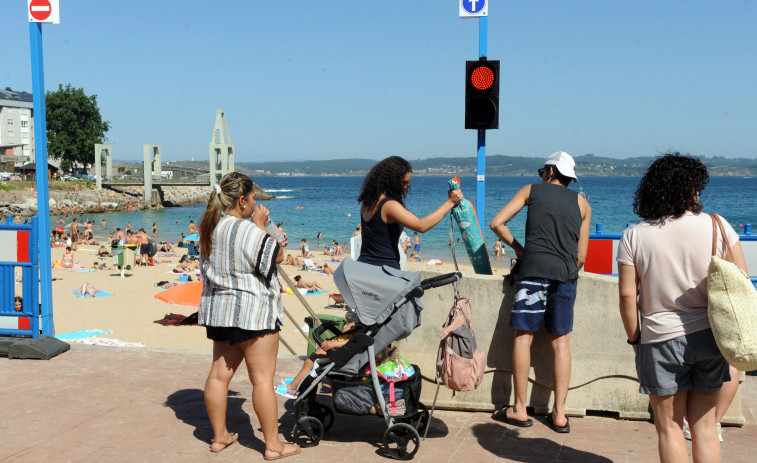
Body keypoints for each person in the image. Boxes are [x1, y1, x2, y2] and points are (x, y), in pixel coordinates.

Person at [617, 153, 747, 462]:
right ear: (691, 190)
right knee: (704, 425)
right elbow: (741, 282)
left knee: (669, 428)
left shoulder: (634, 235)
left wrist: (635, 339)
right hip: (709, 337)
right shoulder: (718, 226)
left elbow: (626, 297)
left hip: (659, 339)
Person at [197, 172, 300, 459]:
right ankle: (273, 446)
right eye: (253, 198)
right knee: (262, 380)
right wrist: (262, 225)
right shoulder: (248, 229)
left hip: (220, 313)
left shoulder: (209, 227)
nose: (255, 203)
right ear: (242, 200)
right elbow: (276, 256)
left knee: (219, 376)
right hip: (254, 314)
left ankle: (220, 437)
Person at [490, 151, 592, 433]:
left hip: (533, 272)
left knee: (523, 338)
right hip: (566, 277)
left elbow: (497, 223)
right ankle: (559, 415)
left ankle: (520, 409)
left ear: (549, 172)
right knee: (561, 343)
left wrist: (520, 249)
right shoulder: (582, 204)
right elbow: (581, 258)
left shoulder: (530, 191)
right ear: (568, 177)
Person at [356, 156, 464, 270]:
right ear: (391, 181)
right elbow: (421, 226)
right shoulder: (388, 205)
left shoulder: (368, 202)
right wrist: (451, 202)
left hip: (364, 268)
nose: (407, 186)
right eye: (404, 182)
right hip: (384, 271)